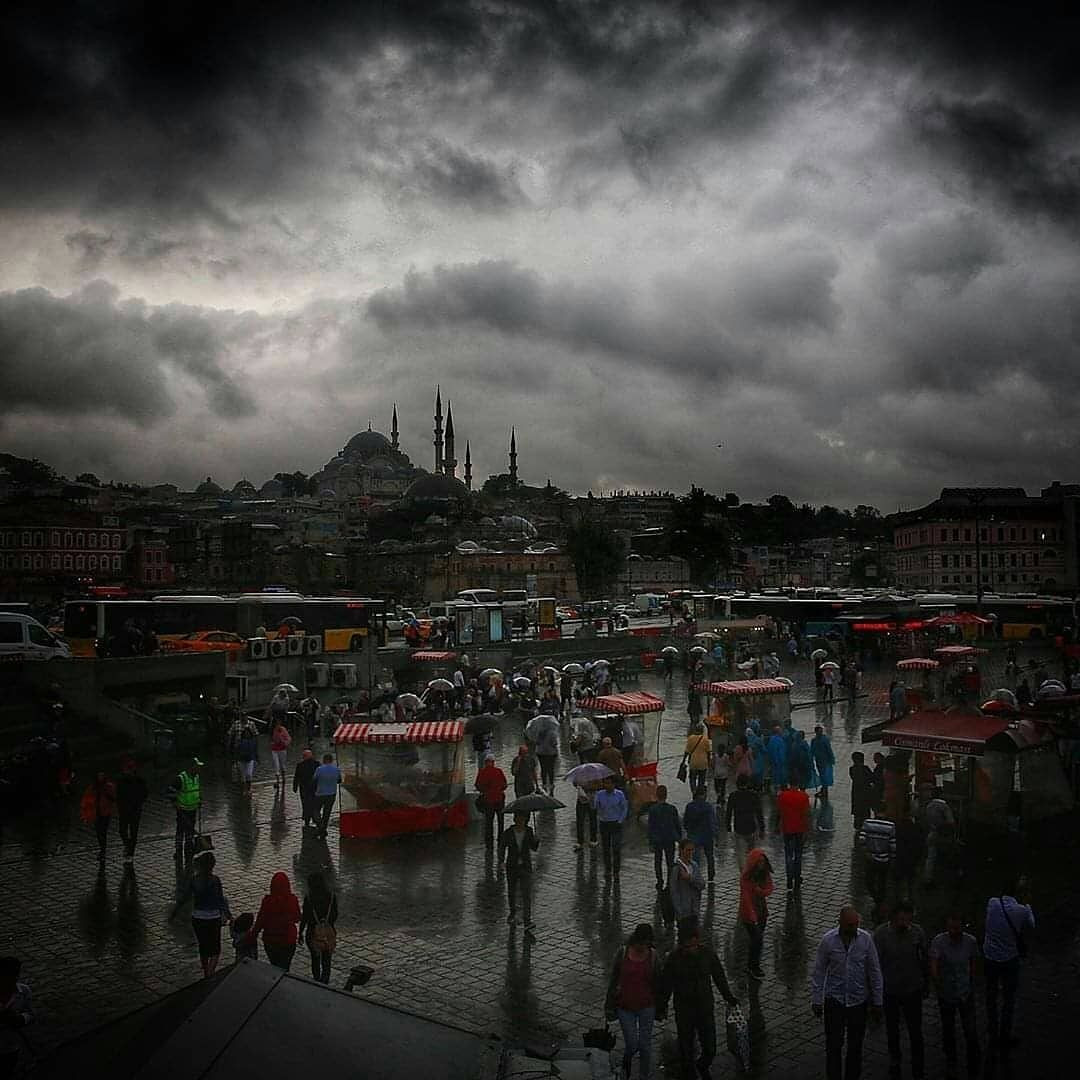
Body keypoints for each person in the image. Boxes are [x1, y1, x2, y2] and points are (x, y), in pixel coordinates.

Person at [657, 918, 739, 1080]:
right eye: (688, 946)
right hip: (684, 1009)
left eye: (694, 945)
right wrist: (662, 1006)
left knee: (710, 1048)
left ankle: (702, 1064)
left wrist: (728, 997)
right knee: (686, 1047)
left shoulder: (708, 954)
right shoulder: (673, 959)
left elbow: (719, 977)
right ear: (682, 944)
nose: (692, 949)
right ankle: (688, 1072)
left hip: (705, 1008)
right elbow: (666, 986)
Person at [811, 905, 884, 1080]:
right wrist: (816, 999)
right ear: (840, 923)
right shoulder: (828, 941)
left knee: (855, 1047)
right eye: (849, 925)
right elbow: (819, 971)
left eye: (855, 924)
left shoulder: (866, 940)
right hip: (834, 1001)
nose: (853, 928)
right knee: (833, 1047)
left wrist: (878, 1001)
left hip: (858, 1002)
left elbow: (874, 971)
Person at [874, 900, 928, 1080]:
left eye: (909, 918)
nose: (906, 922)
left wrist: (925, 983)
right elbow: (875, 964)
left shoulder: (918, 932)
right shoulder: (881, 935)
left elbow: (923, 958)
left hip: (913, 989)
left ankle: (918, 1061)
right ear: (894, 918)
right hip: (890, 990)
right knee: (892, 1028)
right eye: (902, 918)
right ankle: (895, 1059)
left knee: (915, 1029)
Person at [982, 878, 1035, 1056]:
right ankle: (1005, 1035)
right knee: (1008, 998)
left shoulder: (992, 902)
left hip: (989, 957)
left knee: (990, 995)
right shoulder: (1021, 910)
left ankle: (992, 1031)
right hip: (1009, 959)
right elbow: (1031, 925)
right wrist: (1028, 905)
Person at [605, 924, 660, 1080]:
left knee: (645, 1045)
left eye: (647, 944)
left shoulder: (654, 956)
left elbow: (658, 981)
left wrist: (660, 1005)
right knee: (632, 1044)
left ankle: (644, 1075)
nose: (643, 947)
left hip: (647, 1006)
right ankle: (626, 1061)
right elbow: (613, 979)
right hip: (625, 1006)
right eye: (641, 943)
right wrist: (609, 1005)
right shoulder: (622, 953)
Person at [930, 914, 980, 1078]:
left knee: (970, 1029)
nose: (953, 931)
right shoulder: (939, 941)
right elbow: (934, 965)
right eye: (950, 928)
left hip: (965, 992)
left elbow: (973, 962)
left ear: (962, 927)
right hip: (947, 992)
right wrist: (938, 983)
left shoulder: (970, 941)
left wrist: (972, 981)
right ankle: (951, 1060)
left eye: (956, 928)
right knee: (948, 1028)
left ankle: (974, 1059)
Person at [171, 851, 232, 978]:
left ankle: (206, 972)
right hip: (213, 918)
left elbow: (184, 898)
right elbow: (220, 900)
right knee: (215, 950)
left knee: (203, 947)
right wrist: (229, 915)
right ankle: (210, 974)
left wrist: (175, 912)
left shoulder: (194, 880)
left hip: (198, 918)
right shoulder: (215, 880)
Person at [250, 871, 302, 970]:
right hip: (288, 940)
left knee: (274, 966)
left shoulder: (267, 901)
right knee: (285, 967)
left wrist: (253, 935)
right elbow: (297, 917)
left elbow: (261, 920)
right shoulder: (292, 900)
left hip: (271, 939)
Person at [498, 811, 539, 934]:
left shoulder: (529, 831)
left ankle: (527, 920)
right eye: (519, 819)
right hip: (512, 866)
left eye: (523, 819)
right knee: (512, 891)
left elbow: (534, 848)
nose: (521, 821)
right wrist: (501, 861)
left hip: (525, 866)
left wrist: (536, 841)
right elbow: (502, 847)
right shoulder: (508, 833)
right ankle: (512, 913)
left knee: (526, 894)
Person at [739, 848, 774, 981]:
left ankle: (753, 964)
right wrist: (752, 916)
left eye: (763, 862)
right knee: (757, 939)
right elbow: (746, 899)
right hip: (749, 914)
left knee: (757, 940)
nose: (761, 864)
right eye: (758, 862)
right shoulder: (746, 878)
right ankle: (753, 966)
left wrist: (761, 892)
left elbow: (770, 888)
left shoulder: (764, 874)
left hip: (761, 912)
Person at [299, 872, 338, 984]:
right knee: (327, 960)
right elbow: (335, 915)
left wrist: (300, 933)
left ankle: (316, 981)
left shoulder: (309, 898)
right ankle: (325, 981)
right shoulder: (331, 897)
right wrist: (325, 923)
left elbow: (305, 917)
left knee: (315, 959)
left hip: (312, 933)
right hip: (328, 932)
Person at [0, 956, 33, 1078]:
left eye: (14, 974)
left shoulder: (24, 991)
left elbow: (30, 1014)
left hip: (11, 1046)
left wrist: (20, 1019)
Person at [777, 780, 811, 891]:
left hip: (787, 828)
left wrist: (777, 826)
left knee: (788, 854)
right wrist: (807, 829)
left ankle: (789, 878)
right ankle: (797, 877)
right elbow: (806, 814)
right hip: (799, 828)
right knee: (798, 854)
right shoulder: (804, 796)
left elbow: (779, 812)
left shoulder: (782, 796)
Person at [114, 757, 148, 865]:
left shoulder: (139, 781)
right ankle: (128, 846)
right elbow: (117, 794)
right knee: (122, 830)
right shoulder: (121, 781)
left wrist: (138, 803)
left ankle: (130, 852)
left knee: (133, 832)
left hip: (135, 810)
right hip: (124, 809)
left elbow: (144, 793)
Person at [647, 785, 681, 889]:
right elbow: (677, 824)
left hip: (657, 839)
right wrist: (679, 838)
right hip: (669, 838)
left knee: (658, 860)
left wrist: (650, 841)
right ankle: (670, 881)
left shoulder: (653, 809)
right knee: (670, 861)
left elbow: (651, 826)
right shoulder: (672, 808)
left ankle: (659, 880)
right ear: (666, 795)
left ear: (657, 795)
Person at [726, 775, 765, 869]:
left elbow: (729, 812)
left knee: (740, 852)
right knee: (751, 850)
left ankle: (743, 871)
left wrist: (728, 826)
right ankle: (752, 868)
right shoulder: (753, 795)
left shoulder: (733, 796)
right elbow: (759, 812)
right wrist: (762, 828)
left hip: (738, 826)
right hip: (751, 826)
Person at [859, 815, 896, 910]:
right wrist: (892, 858)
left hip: (871, 858)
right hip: (884, 859)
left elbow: (861, 839)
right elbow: (892, 845)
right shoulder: (891, 826)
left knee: (869, 881)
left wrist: (866, 851)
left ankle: (876, 898)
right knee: (882, 881)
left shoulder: (867, 823)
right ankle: (880, 900)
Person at [595, 774, 629, 876]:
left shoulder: (619, 794)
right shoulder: (600, 794)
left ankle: (616, 869)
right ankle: (608, 869)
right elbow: (595, 808)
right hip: (604, 823)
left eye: (609, 783)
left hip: (615, 823)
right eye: (605, 783)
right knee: (606, 847)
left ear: (614, 784)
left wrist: (620, 820)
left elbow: (624, 808)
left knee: (616, 847)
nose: (607, 785)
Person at [682, 785, 717, 882]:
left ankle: (696, 875)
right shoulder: (708, 806)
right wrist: (714, 833)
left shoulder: (690, 806)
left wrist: (688, 830)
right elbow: (712, 821)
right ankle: (711, 875)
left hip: (694, 835)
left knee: (695, 857)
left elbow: (685, 821)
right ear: (704, 794)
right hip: (707, 835)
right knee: (710, 856)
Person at [80, 771, 117, 862]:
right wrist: (85, 815)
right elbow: (85, 802)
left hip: (105, 813)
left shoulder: (109, 787)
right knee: (99, 832)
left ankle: (102, 850)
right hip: (96, 813)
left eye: (102, 776)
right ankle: (102, 849)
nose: (100, 778)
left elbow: (114, 797)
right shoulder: (92, 788)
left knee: (103, 832)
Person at [894, 808, 927, 899]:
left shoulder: (897, 828)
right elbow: (921, 845)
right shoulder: (918, 828)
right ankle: (911, 899)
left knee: (899, 881)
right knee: (911, 882)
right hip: (912, 859)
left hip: (900, 859)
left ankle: (898, 898)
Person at [475, 753, 508, 845]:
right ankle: (501, 839)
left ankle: (489, 842)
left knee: (489, 822)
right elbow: (505, 785)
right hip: (500, 799)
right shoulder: (499, 771)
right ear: (493, 762)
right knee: (501, 820)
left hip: (488, 800)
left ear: (485, 762)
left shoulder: (482, 772)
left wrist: (485, 790)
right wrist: (499, 789)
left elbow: (478, 786)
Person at [671, 838, 705, 923]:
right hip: (683, 911)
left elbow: (702, 884)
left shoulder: (694, 865)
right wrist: (679, 910)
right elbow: (674, 891)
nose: (690, 853)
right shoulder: (676, 868)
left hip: (695, 908)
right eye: (688, 850)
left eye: (692, 850)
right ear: (681, 850)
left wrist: (689, 878)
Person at [313, 752, 342, 840]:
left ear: (324, 760)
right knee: (327, 812)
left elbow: (314, 779)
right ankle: (323, 829)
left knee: (315, 810)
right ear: (332, 760)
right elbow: (339, 780)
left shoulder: (319, 769)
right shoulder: (336, 769)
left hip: (320, 794)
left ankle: (320, 826)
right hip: (332, 794)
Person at [291, 748, 318, 828]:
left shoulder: (300, 765)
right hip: (314, 788)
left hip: (304, 789)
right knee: (314, 804)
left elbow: (296, 777)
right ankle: (314, 818)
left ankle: (307, 819)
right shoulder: (316, 764)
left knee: (305, 804)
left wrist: (295, 787)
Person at [849, 752, 876, 831]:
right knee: (865, 810)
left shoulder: (852, 769)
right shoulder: (865, 768)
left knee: (857, 811)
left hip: (856, 792)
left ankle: (857, 826)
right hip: (865, 792)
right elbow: (872, 778)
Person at [533, 720, 560, 796]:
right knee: (551, 768)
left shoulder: (539, 732)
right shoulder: (552, 733)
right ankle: (551, 783)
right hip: (550, 753)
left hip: (540, 753)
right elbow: (554, 743)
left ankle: (544, 783)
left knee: (543, 768)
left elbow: (536, 742)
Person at [683, 722, 711, 794]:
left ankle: (694, 791)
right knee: (702, 779)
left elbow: (687, 752)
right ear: (702, 731)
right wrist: (709, 762)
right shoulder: (706, 740)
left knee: (692, 778)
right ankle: (700, 791)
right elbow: (708, 753)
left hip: (693, 763)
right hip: (703, 763)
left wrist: (683, 761)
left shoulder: (690, 738)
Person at [573, 777, 598, 852]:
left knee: (593, 819)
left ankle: (593, 839)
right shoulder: (580, 774)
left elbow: (599, 785)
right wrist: (577, 784)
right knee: (580, 820)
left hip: (592, 799)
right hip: (581, 799)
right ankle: (580, 841)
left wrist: (588, 787)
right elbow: (574, 783)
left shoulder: (595, 774)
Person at [811, 726, 835, 800]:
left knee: (824, 776)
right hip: (819, 761)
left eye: (821, 731)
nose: (821, 733)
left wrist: (831, 758)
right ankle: (824, 790)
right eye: (819, 731)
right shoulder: (814, 740)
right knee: (822, 775)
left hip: (825, 761)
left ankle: (824, 790)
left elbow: (829, 749)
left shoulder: (824, 740)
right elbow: (812, 751)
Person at [236, 724, 258, 793]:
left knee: (249, 774)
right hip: (241, 760)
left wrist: (256, 758)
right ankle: (244, 789)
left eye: (248, 733)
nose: (247, 734)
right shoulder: (240, 741)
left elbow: (255, 750)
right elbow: (236, 750)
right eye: (245, 733)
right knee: (243, 776)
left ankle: (248, 788)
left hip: (250, 759)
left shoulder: (253, 741)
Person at [765, 726, 787, 791]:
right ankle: (778, 789)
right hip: (779, 762)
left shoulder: (773, 739)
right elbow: (775, 751)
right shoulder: (777, 740)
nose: (782, 732)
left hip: (777, 761)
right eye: (780, 731)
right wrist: (777, 761)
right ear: (778, 732)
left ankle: (777, 788)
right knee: (778, 777)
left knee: (776, 776)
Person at [270, 720, 291, 785]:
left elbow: (288, 738)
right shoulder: (272, 730)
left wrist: (285, 742)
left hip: (282, 750)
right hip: (275, 750)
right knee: (276, 765)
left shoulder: (283, 730)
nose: (278, 726)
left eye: (279, 724)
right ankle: (278, 781)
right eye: (277, 724)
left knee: (282, 765)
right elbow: (273, 740)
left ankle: (284, 779)